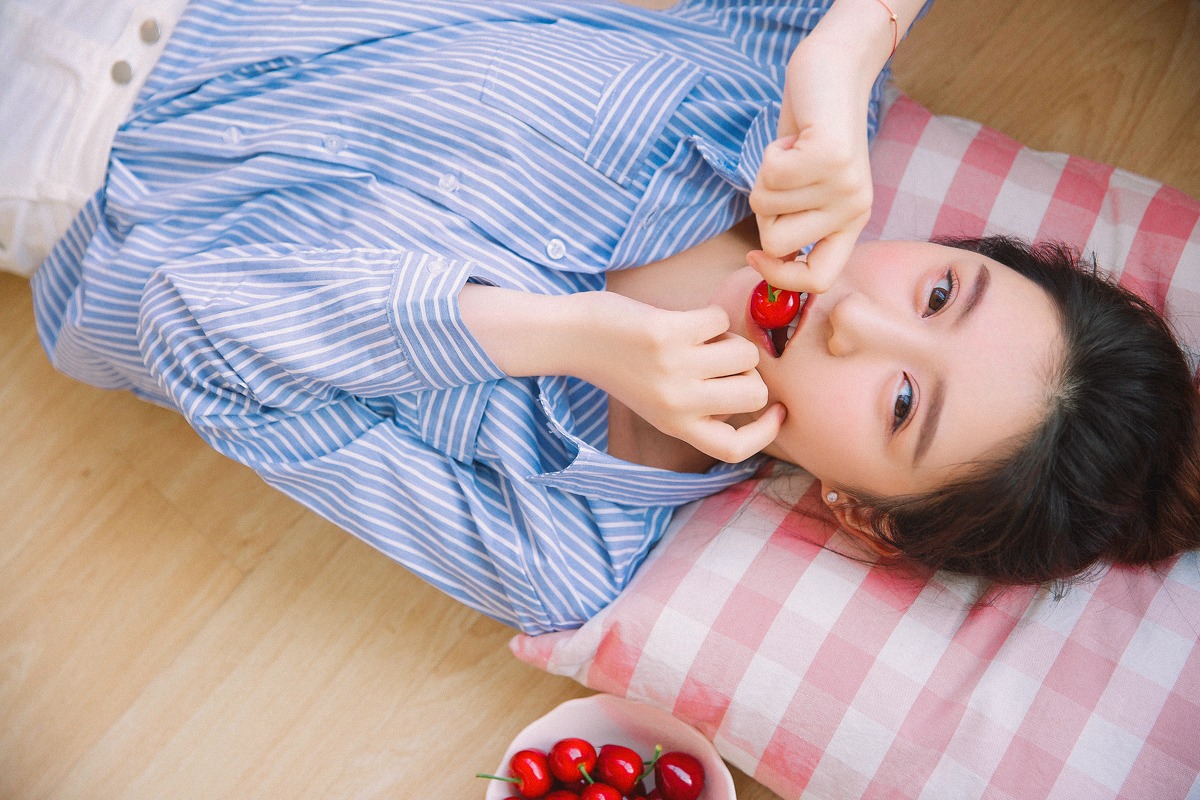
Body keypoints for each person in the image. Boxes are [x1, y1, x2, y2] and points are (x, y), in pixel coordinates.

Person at [27, 0, 1200, 635]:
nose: (856, 321)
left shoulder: (560, 540)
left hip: (61, 156)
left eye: (904, 403)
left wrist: (558, 333)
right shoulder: (776, 84)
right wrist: (852, 46)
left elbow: (196, 330)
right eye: (939, 291)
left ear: (859, 513)